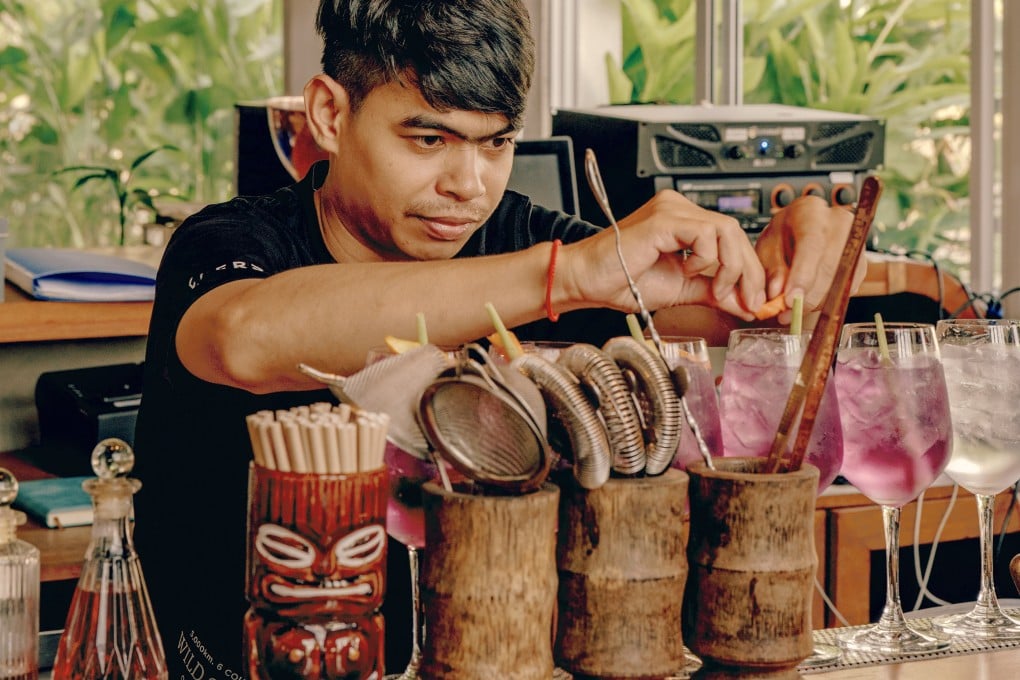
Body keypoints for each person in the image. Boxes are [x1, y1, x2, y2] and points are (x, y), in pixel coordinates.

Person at [132, 0, 865, 676]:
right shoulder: (228, 242)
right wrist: (569, 274)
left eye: (496, 144)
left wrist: (794, 252)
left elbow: (739, 310)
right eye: (428, 139)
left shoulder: (514, 236)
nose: (468, 185)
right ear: (330, 112)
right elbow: (243, 338)